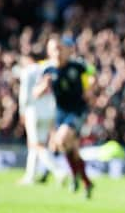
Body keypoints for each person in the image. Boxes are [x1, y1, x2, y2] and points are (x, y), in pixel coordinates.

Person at [34, 35, 96, 199]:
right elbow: (36, 94)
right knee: (71, 150)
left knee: (60, 140)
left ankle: (75, 175)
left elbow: (91, 76)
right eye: (55, 49)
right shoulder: (48, 71)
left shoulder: (77, 66)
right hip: (60, 113)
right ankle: (85, 181)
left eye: (61, 48)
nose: (58, 52)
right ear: (49, 52)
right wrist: (44, 86)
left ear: (68, 50)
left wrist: (90, 87)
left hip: (77, 111)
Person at [15, 53, 66, 185]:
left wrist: (22, 111)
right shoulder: (46, 69)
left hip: (33, 110)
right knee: (37, 144)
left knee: (36, 145)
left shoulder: (28, 71)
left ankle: (58, 171)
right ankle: (30, 176)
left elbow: (25, 94)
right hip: (49, 110)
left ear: (29, 59)